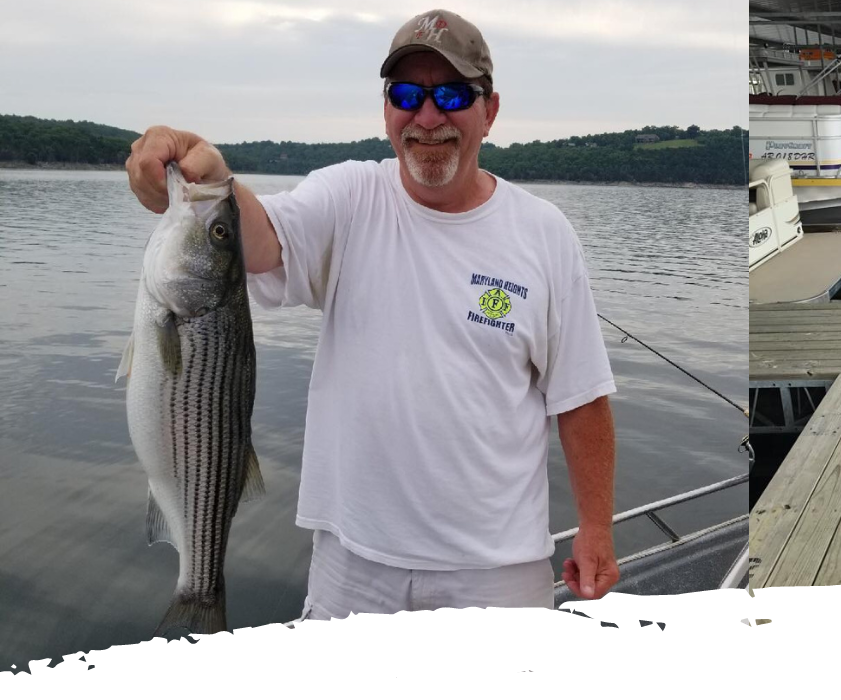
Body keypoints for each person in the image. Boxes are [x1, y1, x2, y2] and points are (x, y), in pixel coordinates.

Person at [123, 9, 620, 618]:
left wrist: (596, 526)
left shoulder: (544, 234)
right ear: (387, 108)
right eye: (407, 94)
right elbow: (260, 240)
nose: (428, 116)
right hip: (352, 562)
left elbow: (582, 399)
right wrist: (207, 173)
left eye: (453, 94)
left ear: (489, 111)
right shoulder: (350, 196)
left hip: (497, 573)